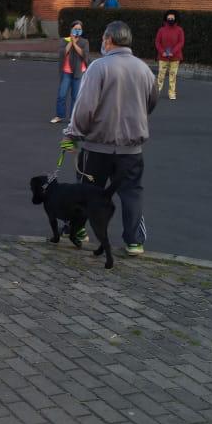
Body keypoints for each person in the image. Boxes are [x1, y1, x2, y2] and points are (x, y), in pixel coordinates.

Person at [61, 20, 157, 257]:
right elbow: (152, 101)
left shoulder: (98, 67)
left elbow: (84, 108)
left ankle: (78, 230)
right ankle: (134, 241)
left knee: (86, 190)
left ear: (109, 40)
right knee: (132, 192)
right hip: (131, 148)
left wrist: (72, 134)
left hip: (97, 146)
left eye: (104, 38)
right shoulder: (144, 69)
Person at [51, 20, 90, 123]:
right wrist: (70, 41)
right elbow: (63, 53)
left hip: (78, 72)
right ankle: (59, 115)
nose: (77, 31)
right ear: (71, 29)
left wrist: (75, 43)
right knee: (62, 94)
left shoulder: (84, 42)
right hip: (66, 71)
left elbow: (84, 54)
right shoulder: (65, 40)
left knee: (75, 96)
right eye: (75, 29)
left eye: (79, 29)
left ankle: (73, 118)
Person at [155, 11, 184, 101]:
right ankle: (156, 92)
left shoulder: (179, 30)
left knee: (173, 75)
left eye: (172, 18)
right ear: (166, 19)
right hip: (163, 56)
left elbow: (181, 42)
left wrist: (173, 52)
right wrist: (162, 51)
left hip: (175, 57)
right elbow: (157, 42)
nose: (170, 20)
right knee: (161, 75)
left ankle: (172, 93)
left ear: (175, 19)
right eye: (169, 18)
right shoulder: (161, 30)